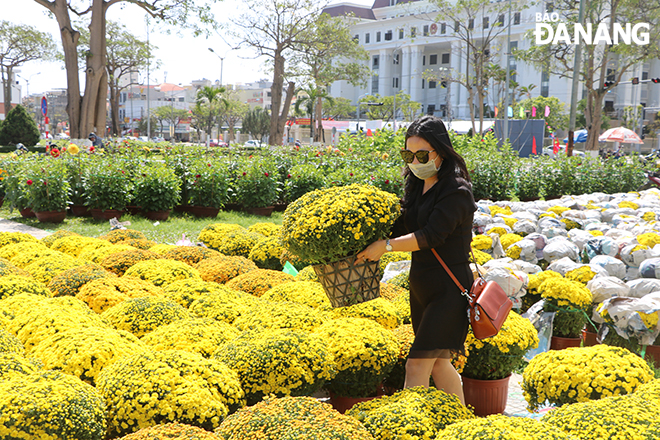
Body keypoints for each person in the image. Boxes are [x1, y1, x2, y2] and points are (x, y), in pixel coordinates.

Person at [357, 115, 476, 405]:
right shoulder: (418, 186)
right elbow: (404, 226)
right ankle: (460, 425)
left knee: (416, 365)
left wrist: (384, 247)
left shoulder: (456, 191)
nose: (414, 161)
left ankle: (411, 426)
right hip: (423, 287)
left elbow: (431, 236)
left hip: (448, 290)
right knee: (437, 363)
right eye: (408, 155)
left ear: (441, 152)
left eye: (422, 155)